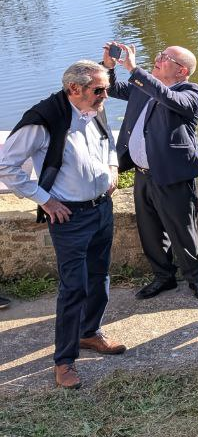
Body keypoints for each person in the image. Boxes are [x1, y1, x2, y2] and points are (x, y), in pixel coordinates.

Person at [0, 60, 126, 389]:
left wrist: (112, 166)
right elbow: (7, 166)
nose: (105, 96)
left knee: (100, 277)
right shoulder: (44, 119)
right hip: (69, 217)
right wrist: (44, 199)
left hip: (101, 209)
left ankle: (89, 332)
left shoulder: (93, 108)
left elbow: (107, 141)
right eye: (99, 90)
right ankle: (64, 361)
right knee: (74, 288)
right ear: (74, 89)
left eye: (106, 89)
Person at [105, 43, 198, 301]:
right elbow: (111, 88)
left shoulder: (190, 91)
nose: (157, 58)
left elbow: (168, 98)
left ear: (182, 70)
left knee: (182, 231)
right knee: (150, 231)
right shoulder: (144, 86)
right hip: (143, 174)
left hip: (173, 175)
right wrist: (109, 66)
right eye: (160, 55)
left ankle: (196, 279)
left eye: (165, 57)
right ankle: (163, 277)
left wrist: (134, 68)